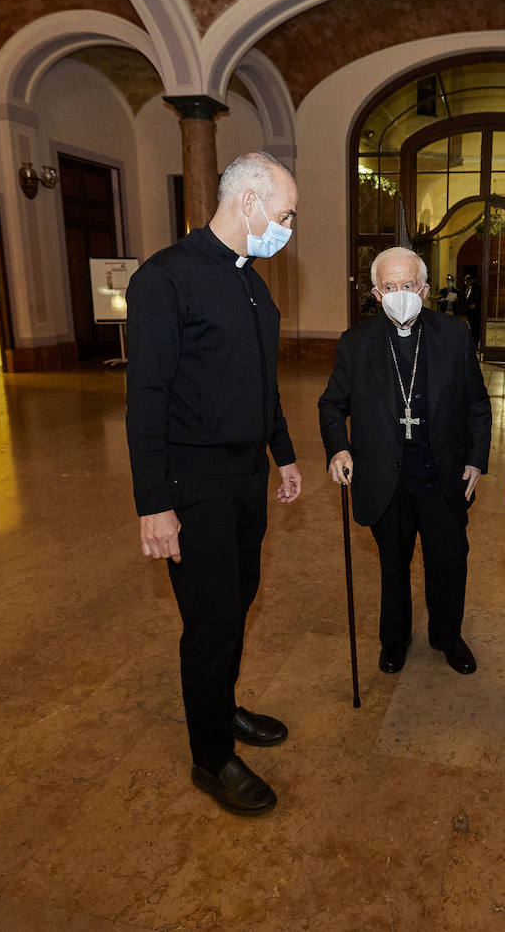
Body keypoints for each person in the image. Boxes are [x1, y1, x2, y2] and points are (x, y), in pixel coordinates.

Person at [125, 151, 303, 817]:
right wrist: (154, 505)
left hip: (243, 474)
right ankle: (211, 756)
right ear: (250, 202)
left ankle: (222, 709)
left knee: (240, 597)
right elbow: (145, 397)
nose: (287, 226)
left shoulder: (254, 283)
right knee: (210, 620)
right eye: (283, 213)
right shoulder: (165, 279)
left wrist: (281, 453)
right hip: (190, 478)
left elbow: (261, 383)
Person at [318, 247, 492, 676]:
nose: (400, 294)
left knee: (448, 564)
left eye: (408, 286)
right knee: (393, 567)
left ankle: (448, 637)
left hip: (442, 476)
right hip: (384, 479)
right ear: (377, 294)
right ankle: (393, 640)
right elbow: (331, 405)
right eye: (390, 287)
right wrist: (338, 447)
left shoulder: (453, 334)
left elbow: (477, 406)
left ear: (425, 289)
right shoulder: (356, 343)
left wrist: (475, 460)